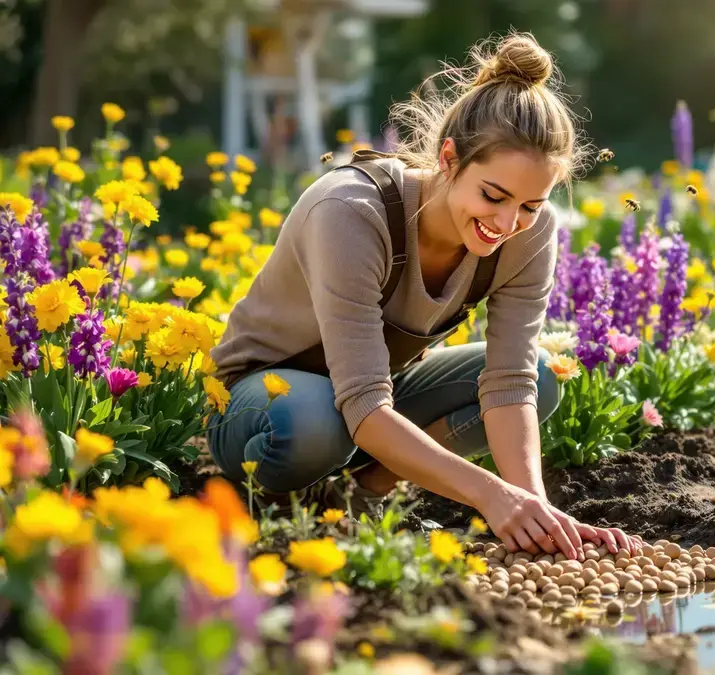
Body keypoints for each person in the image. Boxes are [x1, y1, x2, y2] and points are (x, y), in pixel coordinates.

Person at [208, 33, 637, 560]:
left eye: (530, 204)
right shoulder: (352, 211)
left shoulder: (530, 232)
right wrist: (489, 494)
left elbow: (509, 382)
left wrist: (534, 511)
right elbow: (363, 404)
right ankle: (272, 508)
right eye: (493, 196)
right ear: (450, 159)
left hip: (371, 394)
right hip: (261, 404)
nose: (507, 224)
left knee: (542, 378)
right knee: (315, 424)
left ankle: (357, 494)